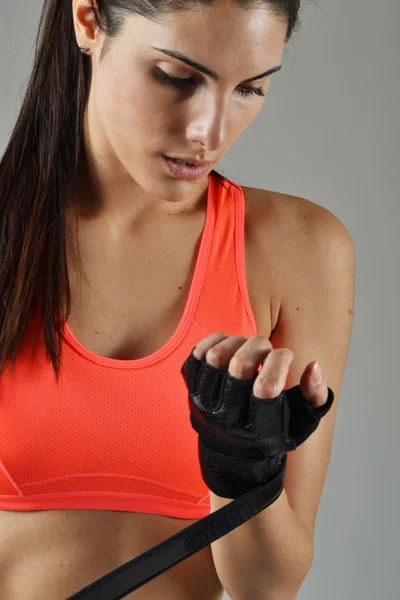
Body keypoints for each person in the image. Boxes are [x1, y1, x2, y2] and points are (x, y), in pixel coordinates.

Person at [0, 0, 355, 598]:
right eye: (177, 77)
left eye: (250, 89)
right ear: (88, 20)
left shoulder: (299, 247)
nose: (209, 133)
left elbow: (266, 587)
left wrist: (243, 474)